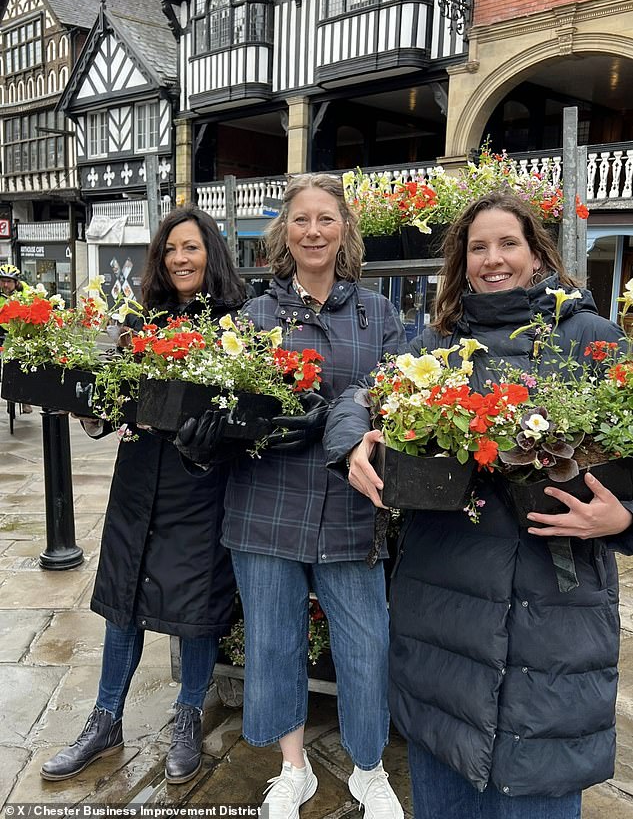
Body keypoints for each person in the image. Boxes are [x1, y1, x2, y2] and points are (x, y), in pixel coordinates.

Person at [324, 191, 633, 819]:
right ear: (461, 262)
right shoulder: (436, 342)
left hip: (555, 613)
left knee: (537, 783)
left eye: (508, 244)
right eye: (478, 248)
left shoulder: (592, 339)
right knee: (446, 779)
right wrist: (353, 439)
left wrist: (624, 519)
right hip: (443, 605)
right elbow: (361, 392)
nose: (493, 260)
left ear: (537, 252)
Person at [175, 174, 406, 818]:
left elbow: (394, 396)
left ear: (344, 232)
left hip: (350, 506)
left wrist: (358, 422)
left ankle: (368, 767)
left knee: (366, 643)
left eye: (326, 220)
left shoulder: (379, 313)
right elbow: (228, 401)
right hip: (265, 500)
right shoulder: (255, 315)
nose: (313, 231)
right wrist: (216, 435)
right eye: (300, 220)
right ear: (284, 232)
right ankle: (294, 767)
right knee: (274, 639)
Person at [40, 205, 246, 785]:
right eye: (171, 249)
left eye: (192, 248)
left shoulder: (236, 324)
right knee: (124, 596)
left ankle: (186, 717)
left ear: (212, 254)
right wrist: (90, 412)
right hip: (138, 479)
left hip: (199, 484)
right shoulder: (140, 323)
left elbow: (247, 421)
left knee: (195, 609)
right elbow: (110, 404)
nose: (180, 259)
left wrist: (214, 440)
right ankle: (105, 718)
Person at [0, 263, 32, 413]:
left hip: (20, 330)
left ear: (16, 282)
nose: (5, 285)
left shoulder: (25, 292)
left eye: (9, 281)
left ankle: (25, 399)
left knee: (25, 363)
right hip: (1, 328)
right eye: (3, 281)